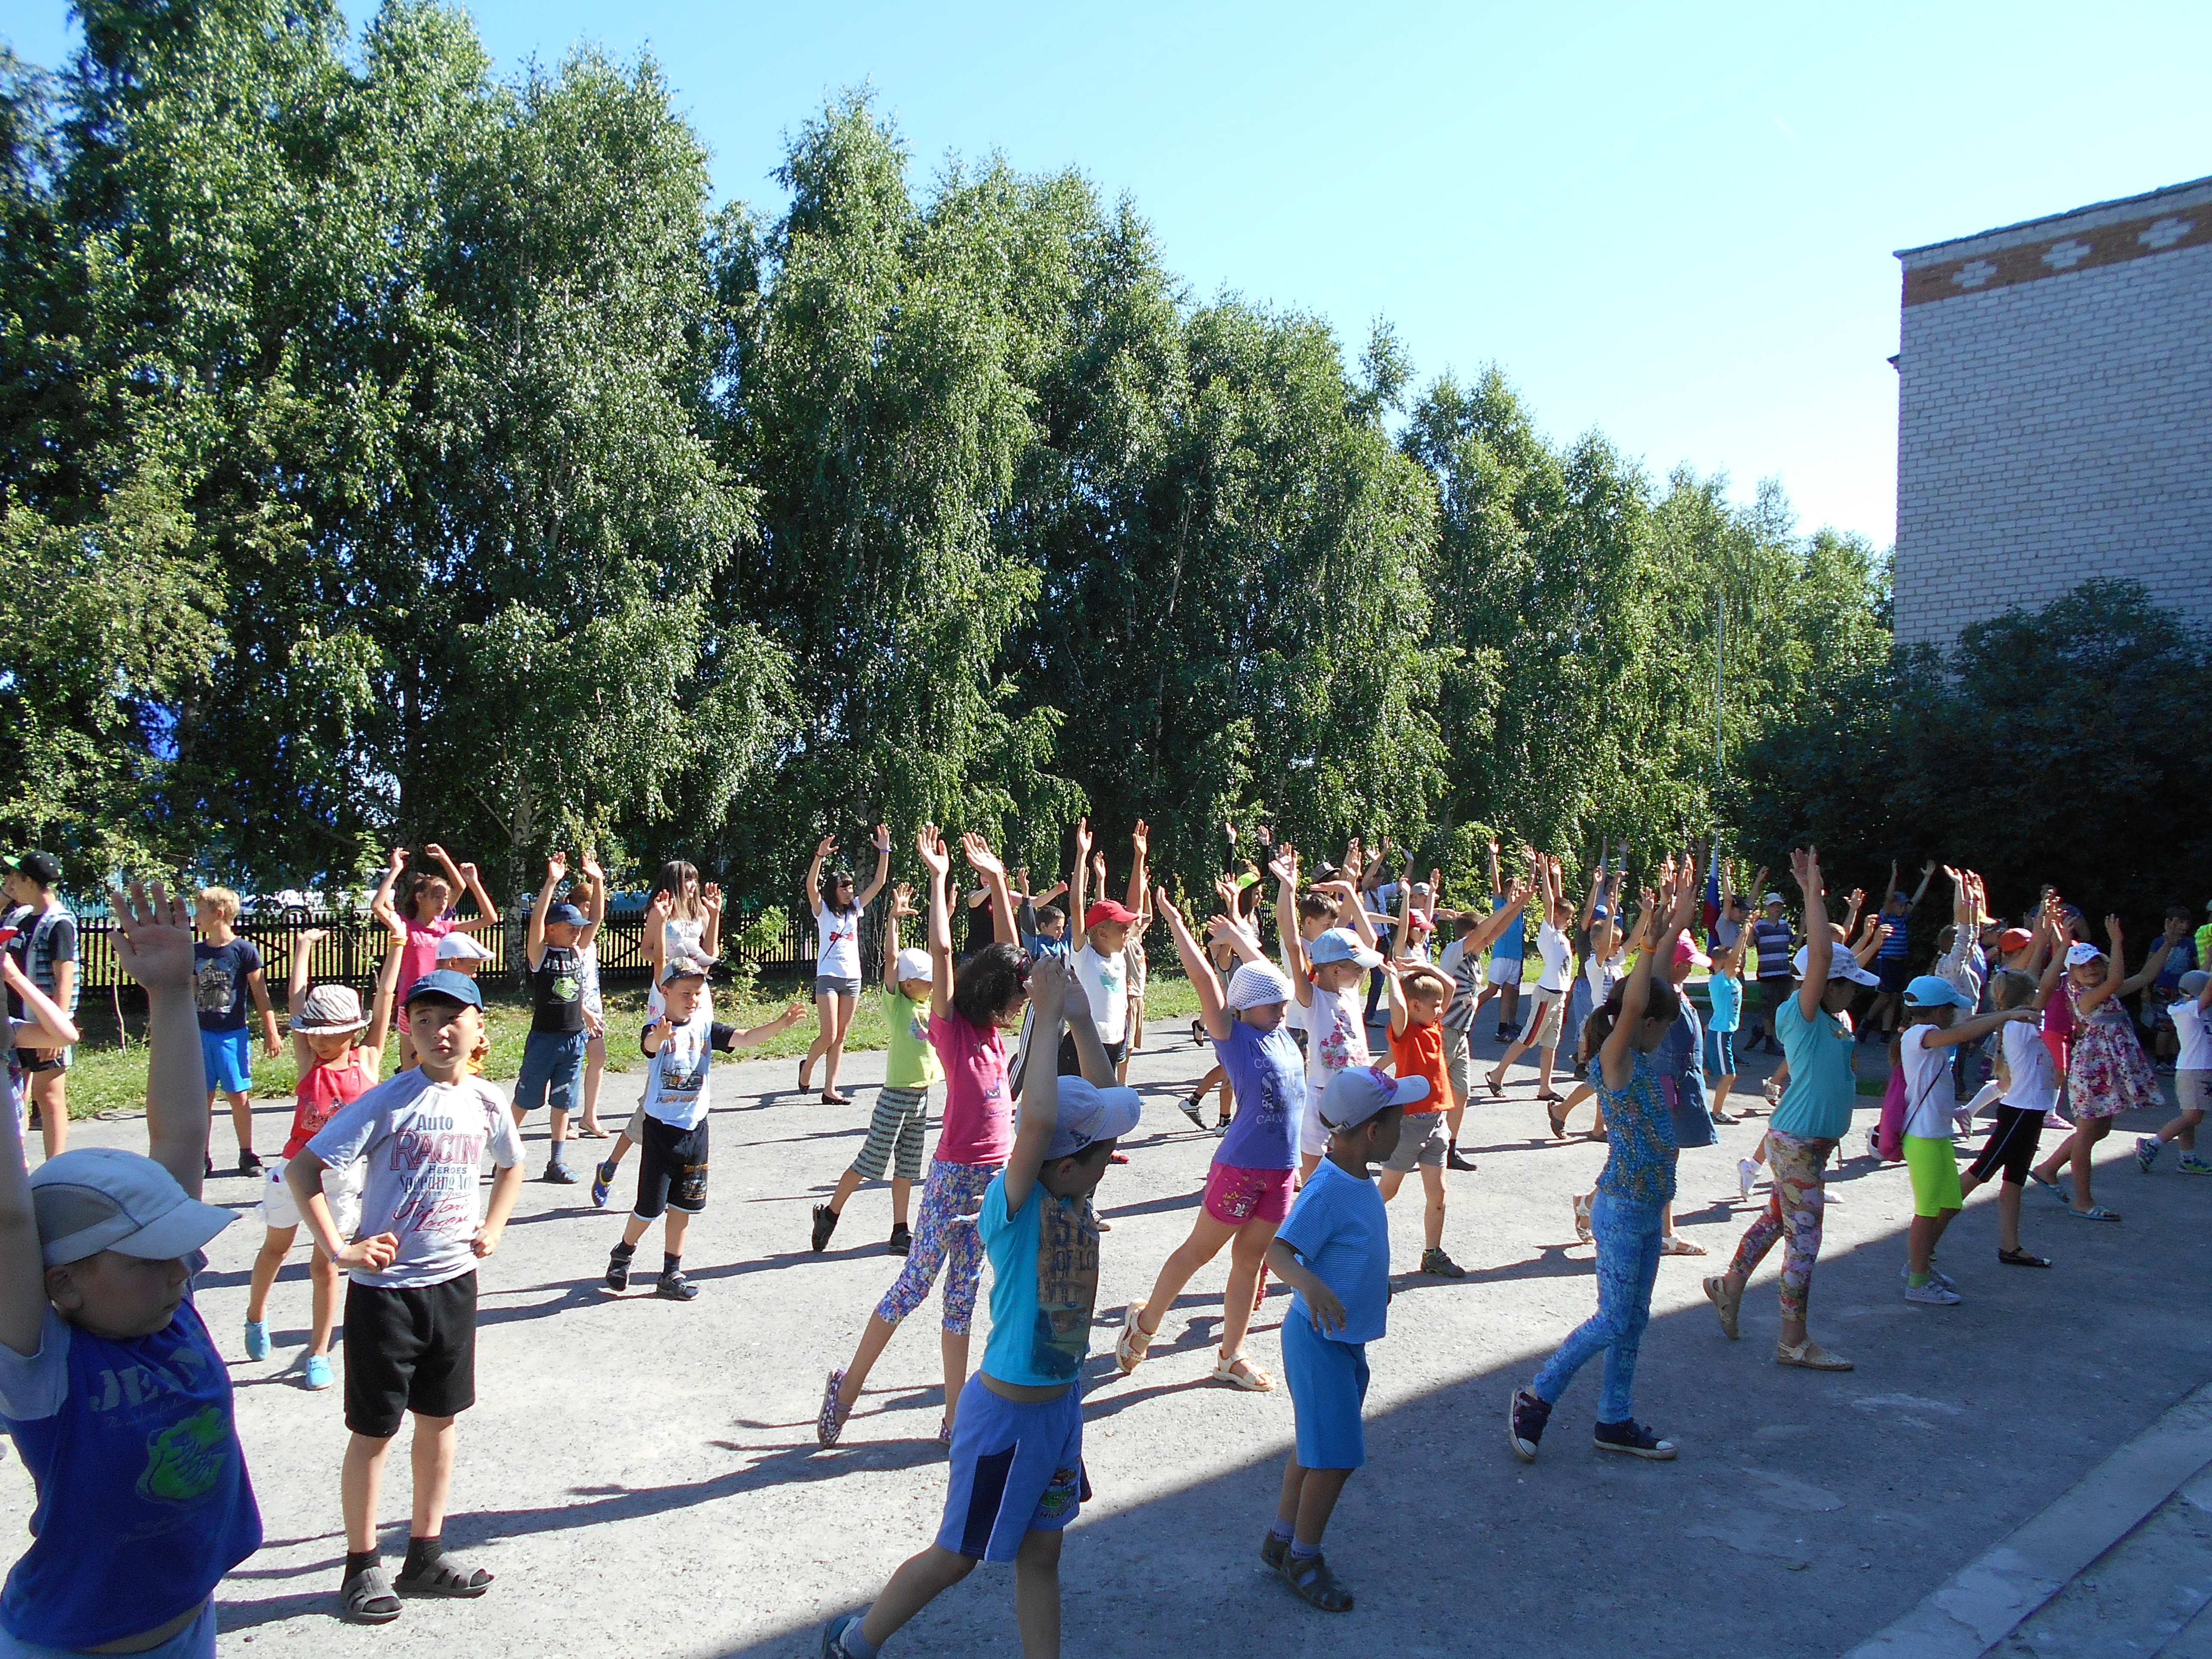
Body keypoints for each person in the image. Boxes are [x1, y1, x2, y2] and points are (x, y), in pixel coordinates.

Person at [820, 956, 1136, 1659]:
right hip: (1005, 1419)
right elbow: (1039, 1122)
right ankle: (856, 1641)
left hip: (1058, 1412)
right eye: (1100, 1152)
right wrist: (1046, 1016)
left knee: (1042, 1557)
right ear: (1064, 1163)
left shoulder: (1074, 1191)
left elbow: (1104, 1106)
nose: (1111, 1155)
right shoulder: (1014, 1204)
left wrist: (1080, 1017)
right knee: (956, 1556)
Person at [0, 881, 256, 1659]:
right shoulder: (43, 1368)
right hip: (74, 1646)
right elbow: (10, 1217)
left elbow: (180, 1139)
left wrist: (173, 993)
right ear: (62, 1282)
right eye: (150, 1255)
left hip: (190, 1621)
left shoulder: (162, 1307)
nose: (182, 1270)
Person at [286, 966, 525, 1623]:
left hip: (452, 1285)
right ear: (407, 1032)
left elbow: (512, 1165)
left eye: (452, 1018)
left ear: (479, 1028)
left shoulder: (487, 1101)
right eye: (424, 1020)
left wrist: (495, 1225)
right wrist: (340, 1248)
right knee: (373, 1431)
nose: (439, 1031)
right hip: (385, 1294)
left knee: (440, 1420)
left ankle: (425, 1554)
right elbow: (303, 1169)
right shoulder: (388, 1100)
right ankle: (361, 1565)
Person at [819, 828, 1023, 1448]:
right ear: (993, 995)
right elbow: (942, 948)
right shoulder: (953, 1029)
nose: (1022, 1005)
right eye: (1016, 998)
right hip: (954, 1177)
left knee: (962, 1301)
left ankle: (955, 1419)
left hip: (994, 1183)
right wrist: (938, 879)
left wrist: (997, 883)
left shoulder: (994, 1034)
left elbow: (1014, 955)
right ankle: (846, 1390)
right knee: (914, 1287)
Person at [1510, 866, 1704, 1468]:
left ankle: (1614, 1419)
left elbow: (1653, 984)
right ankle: (1537, 1396)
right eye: (1662, 1025)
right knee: (1614, 1318)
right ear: (1643, 1023)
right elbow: (1637, 998)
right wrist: (1645, 945)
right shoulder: (1616, 1060)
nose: (1665, 1033)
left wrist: (1678, 910)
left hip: (1647, 1208)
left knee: (1634, 1320)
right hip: (1620, 1210)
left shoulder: (1639, 1057)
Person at [1117, 892, 1302, 1391]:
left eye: (1283, 1003)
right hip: (1241, 1167)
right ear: (1246, 1006)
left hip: (1282, 1171)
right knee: (1199, 1252)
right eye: (1274, 1004)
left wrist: (1238, 938)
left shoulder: (1279, 1029)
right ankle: (1145, 1323)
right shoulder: (1235, 1036)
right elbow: (1205, 980)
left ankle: (1231, 1356)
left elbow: (1268, 976)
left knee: (1250, 1261)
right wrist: (1177, 923)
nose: (1282, 1008)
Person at [1704, 847, 1875, 1372]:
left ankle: (1728, 1284)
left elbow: (1836, 962)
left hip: (1807, 1144)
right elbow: (1821, 959)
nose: (1854, 993)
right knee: (1804, 1241)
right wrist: (1811, 894)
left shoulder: (1834, 1018)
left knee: (1775, 1220)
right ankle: (1792, 1341)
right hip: (1798, 1143)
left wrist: (1856, 937)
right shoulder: (1800, 1013)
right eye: (1848, 986)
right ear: (1827, 985)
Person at [1259, 1064, 1415, 1614]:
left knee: (1315, 1447)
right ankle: (1303, 1558)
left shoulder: (1358, 1181)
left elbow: (1356, 1245)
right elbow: (1278, 1252)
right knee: (1336, 1457)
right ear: (1372, 1132)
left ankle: (1281, 1540)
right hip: (1318, 1341)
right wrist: (1312, 1287)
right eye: (1398, 1122)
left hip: (1342, 1342)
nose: (1404, 1130)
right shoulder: (1326, 1189)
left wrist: (1374, 1281)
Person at [242, 923, 404, 1389]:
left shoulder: (367, 1059)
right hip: (295, 1173)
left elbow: (385, 997)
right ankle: (255, 1315)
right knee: (276, 1249)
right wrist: (301, 949)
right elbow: (296, 1001)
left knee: (326, 1264)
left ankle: (318, 1353)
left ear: (354, 1031)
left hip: (341, 1179)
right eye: (312, 1034)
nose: (318, 1041)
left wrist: (396, 944)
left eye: (328, 1035)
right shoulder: (308, 1060)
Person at [605, 951, 805, 1302]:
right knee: (650, 1208)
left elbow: (746, 1038)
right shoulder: (656, 1028)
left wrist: (781, 1024)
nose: (693, 1000)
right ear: (665, 992)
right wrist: (659, 1036)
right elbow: (650, 1045)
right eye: (685, 993)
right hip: (661, 1131)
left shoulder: (705, 1027)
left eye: (698, 993)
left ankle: (671, 1273)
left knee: (684, 1206)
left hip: (695, 1131)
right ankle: (624, 1252)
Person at [1892, 974, 2040, 1304]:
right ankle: (1917, 1281)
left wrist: (2008, 1013)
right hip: (1923, 1138)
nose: (1956, 1015)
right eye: (1952, 1009)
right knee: (1927, 1211)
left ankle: (1920, 1265)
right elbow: (1963, 1032)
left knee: (1950, 1204)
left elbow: (1967, 1024)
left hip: (1937, 1135)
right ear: (1940, 1012)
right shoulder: (1919, 1035)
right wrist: (2007, 1015)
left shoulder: (1928, 1031)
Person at [814, 883, 939, 1255]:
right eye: (927, 981)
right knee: (870, 1162)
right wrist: (893, 920)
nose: (933, 985)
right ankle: (830, 1214)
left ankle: (900, 1231)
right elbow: (890, 959)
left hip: (920, 1096)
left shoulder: (930, 1006)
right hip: (896, 1096)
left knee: (908, 1168)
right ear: (909, 983)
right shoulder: (898, 1005)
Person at [2030, 916, 2173, 1222]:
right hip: (2092, 1073)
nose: (2090, 969)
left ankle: (2048, 1169)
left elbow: (2146, 975)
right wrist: (2117, 942)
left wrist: (2169, 943)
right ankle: (2083, 1201)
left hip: (2106, 1071)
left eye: (2096, 963)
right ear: (2071, 974)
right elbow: (2116, 981)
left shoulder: (2106, 992)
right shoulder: (2086, 997)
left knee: (2100, 1130)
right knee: (2087, 1133)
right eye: (2082, 967)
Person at [1378, 884, 1465, 1276]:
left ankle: (1433, 1254)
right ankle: (1344, 1232)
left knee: (1439, 1193)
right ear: (1415, 1005)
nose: (1441, 1010)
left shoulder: (1433, 1025)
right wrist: (1395, 979)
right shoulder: (1405, 1030)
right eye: (1433, 1006)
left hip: (1437, 1122)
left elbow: (1451, 987)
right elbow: (1398, 1005)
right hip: (1410, 1123)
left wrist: (1423, 967)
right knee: (1387, 1192)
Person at [1960, 957, 2066, 1266]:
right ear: (2030, 997)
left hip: (2030, 1112)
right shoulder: (2021, 1025)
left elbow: (2042, 985)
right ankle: (1930, 1221)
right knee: (1982, 1170)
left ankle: (2011, 1246)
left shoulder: (2020, 1024)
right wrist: (2060, 947)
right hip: (2020, 1111)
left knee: (2015, 1178)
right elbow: (2048, 984)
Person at [369, 844, 502, 1071]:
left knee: (443, 1061)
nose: (443, 903)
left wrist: (470, 879)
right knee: (411, 1066)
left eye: (445, 898)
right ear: (420, 898)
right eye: (437, 897)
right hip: (412, 1003)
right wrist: (395, 869)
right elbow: (378, 906)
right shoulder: (405, 926)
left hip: (443, 1000)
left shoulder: (446, 927)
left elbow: (490, 918)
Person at [1284, 887, 1383, 1183]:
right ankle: (1312, 1200)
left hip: (1356, 1092)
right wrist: (1288, 888)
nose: (1363, 973)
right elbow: (1292, 944)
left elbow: (1372, 940)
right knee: (1312, 1170)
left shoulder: (1350, 992)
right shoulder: (1312, 999)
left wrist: (1350, 890)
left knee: (1352, 1165)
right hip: (1323, 1095)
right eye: (1358, 968)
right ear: (1336, 970)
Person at [512, 855, 599, 1185]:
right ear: (552, 929)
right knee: (525, 1100)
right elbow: (537, 921)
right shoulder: (542, 954)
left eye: (580, 929)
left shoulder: (578, 951)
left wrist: (598, 881)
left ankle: (557, 1161)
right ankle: (505, 1151)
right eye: (571, 928)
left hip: (573, 1038)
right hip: (544, 1039)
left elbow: (597, 919)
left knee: (563, 1102)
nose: (578, 933)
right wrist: (551, 883)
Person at [1438, 883, 1530, 1167]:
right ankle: (1406, 1143)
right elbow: (1484, 933)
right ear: (1469, 935)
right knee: (1430, 1092)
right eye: (1482, 935)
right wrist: (1507, 906)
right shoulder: (1455, 952)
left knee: (1461, 1091)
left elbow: (1494, 932)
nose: (1489, 941)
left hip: (1461, 1033)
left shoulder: (1474, 958)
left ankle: (1450, 1149)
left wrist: (1518, 906)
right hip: (1444, 1032)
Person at [802, 827, 892, 1106]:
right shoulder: (823, 911)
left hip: (853, 979)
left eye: (851, 887)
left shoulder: (855, 909)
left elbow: (879, 882)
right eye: (844, 887)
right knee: (828, 1035)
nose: (850, 891)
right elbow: (811, 887)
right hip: (828, 978)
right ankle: (807, 1066)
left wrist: (884, 850)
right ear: (834, 890)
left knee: (840, 1036)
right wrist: (819, 856)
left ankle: (830, 1089)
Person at [192, 885, 280, 1174]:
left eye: (200, 912)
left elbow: (261, 994)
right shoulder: (196, 952)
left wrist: (271, 1032)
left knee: (238, 1096)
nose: (196, 917)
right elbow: (191, 994)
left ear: (219, 913)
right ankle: (201, 1156)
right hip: (201, 1035)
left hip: (232, 1035)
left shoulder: (244, 951)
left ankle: (247, 1154)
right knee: (202, 1098)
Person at [2, 851, 77, 1159]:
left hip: (44, 1024)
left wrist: (57, 1028)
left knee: (48, 1096)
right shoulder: (20, 916)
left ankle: (55, 1166)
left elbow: (65, 979)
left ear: (30, 882)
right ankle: (17, 1165)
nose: (10, 883)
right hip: (17, 1022)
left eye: (15, 877)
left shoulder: (59, 922)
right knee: (17, 1094)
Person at [1485, 853, 1572, 1108]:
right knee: (1528, 1038)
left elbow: (1558, 901)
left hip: (1559, 995)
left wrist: (1556, 876)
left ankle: (1545, 1087)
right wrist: (1544, 874)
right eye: (1566, 918)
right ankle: (1496, 1074)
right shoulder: (1549, 932)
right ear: (1556, 917)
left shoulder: (1561, 934)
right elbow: (1551, 903)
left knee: (1550, 1043)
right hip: (1547, 994)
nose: (1569, 922)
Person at [2139, 969, 2212, 1175]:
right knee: (2193, 1117)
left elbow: (2204, 984)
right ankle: (2152, 1144)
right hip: (2195, 1070)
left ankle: (2187, 1158)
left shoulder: (2193, 1007)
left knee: (2190, 1116)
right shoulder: (2187, 1010)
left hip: (2199, 1069)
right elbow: (2208, 992)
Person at [1861, 860, 1935, 1043]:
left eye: (1904, 906)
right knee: (1884, 996)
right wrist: (1894, 876)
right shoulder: (1886, 916)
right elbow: (1888, 898)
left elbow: (1916, 899)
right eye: (1900, 905)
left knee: (1894, 998)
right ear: (1893, 905)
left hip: (1899, 962)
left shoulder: (1903, 918)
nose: (1903, 908)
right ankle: (1866, 1024)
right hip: (1886, 961)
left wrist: (1927, 878)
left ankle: (1886, 1032)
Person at [565, 855, 612, 1139]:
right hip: (574, 1010)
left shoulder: (588, 939)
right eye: (587, 903)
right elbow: (564, 986)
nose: (590, 910)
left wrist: (599, 881)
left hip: (593, 1008)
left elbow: (598, 917)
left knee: (598, 1058)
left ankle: (589, 1117)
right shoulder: (571, 941)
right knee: (569, 1065)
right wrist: (582, 1010)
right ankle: (564, 1119)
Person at [1480, 839, 1529, 1041]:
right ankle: (1465, 1012)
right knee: (1492, 990)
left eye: (1518, 889)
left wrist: (1532, 864)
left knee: (1509, 991)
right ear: (1506, 892)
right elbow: (1495, 882)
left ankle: (1503, 1028)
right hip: (1501, 954)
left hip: (1515, 956)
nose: (1515, 892)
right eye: (1512, 889)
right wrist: (1493, 856)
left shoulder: (1520, 907)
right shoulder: (1501, 903)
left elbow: (1531, 887)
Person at [1744, 889, 1796, 1054]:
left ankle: (1762, 1031)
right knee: (1769, 1009)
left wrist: (1803, 923)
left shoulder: (1785, 926)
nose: (1777, 909)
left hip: (1784, 973)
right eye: (1773, 906)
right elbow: (1750, 943)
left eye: (1779, 906)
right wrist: (1751, 925)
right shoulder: (1760, 926)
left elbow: (1795, 943)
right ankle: (1769, 1042)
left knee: (1783, 1009)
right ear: (1767, 908)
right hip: (1768, 974)